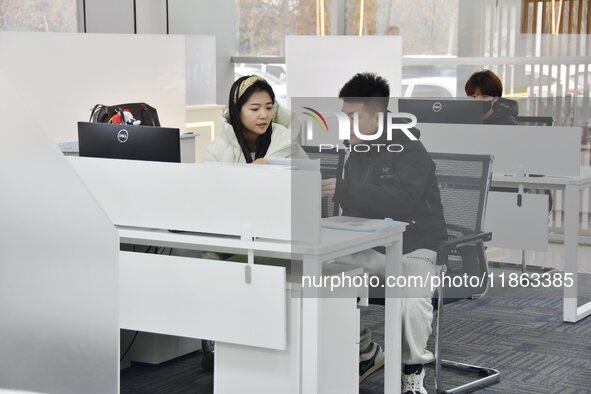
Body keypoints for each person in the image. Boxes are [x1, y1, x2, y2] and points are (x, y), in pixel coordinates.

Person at [322, 73, 447, 394]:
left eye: (352, 117)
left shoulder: (409, 150)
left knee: (409, 297)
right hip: (375, 246)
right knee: (320, 273)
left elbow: (403, 202)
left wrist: (345, 191)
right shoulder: (357, 152)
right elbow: (356, 212)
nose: (345, 125)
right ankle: (364, 350)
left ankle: (412, 373)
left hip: (417, 247)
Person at [203, 75, 307, 163]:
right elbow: (207, 182)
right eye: (255, 109)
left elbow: (309, 176)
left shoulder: (284, 139)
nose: (264, 115)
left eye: (269, 108)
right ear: (237, 111)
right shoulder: (220, 148)